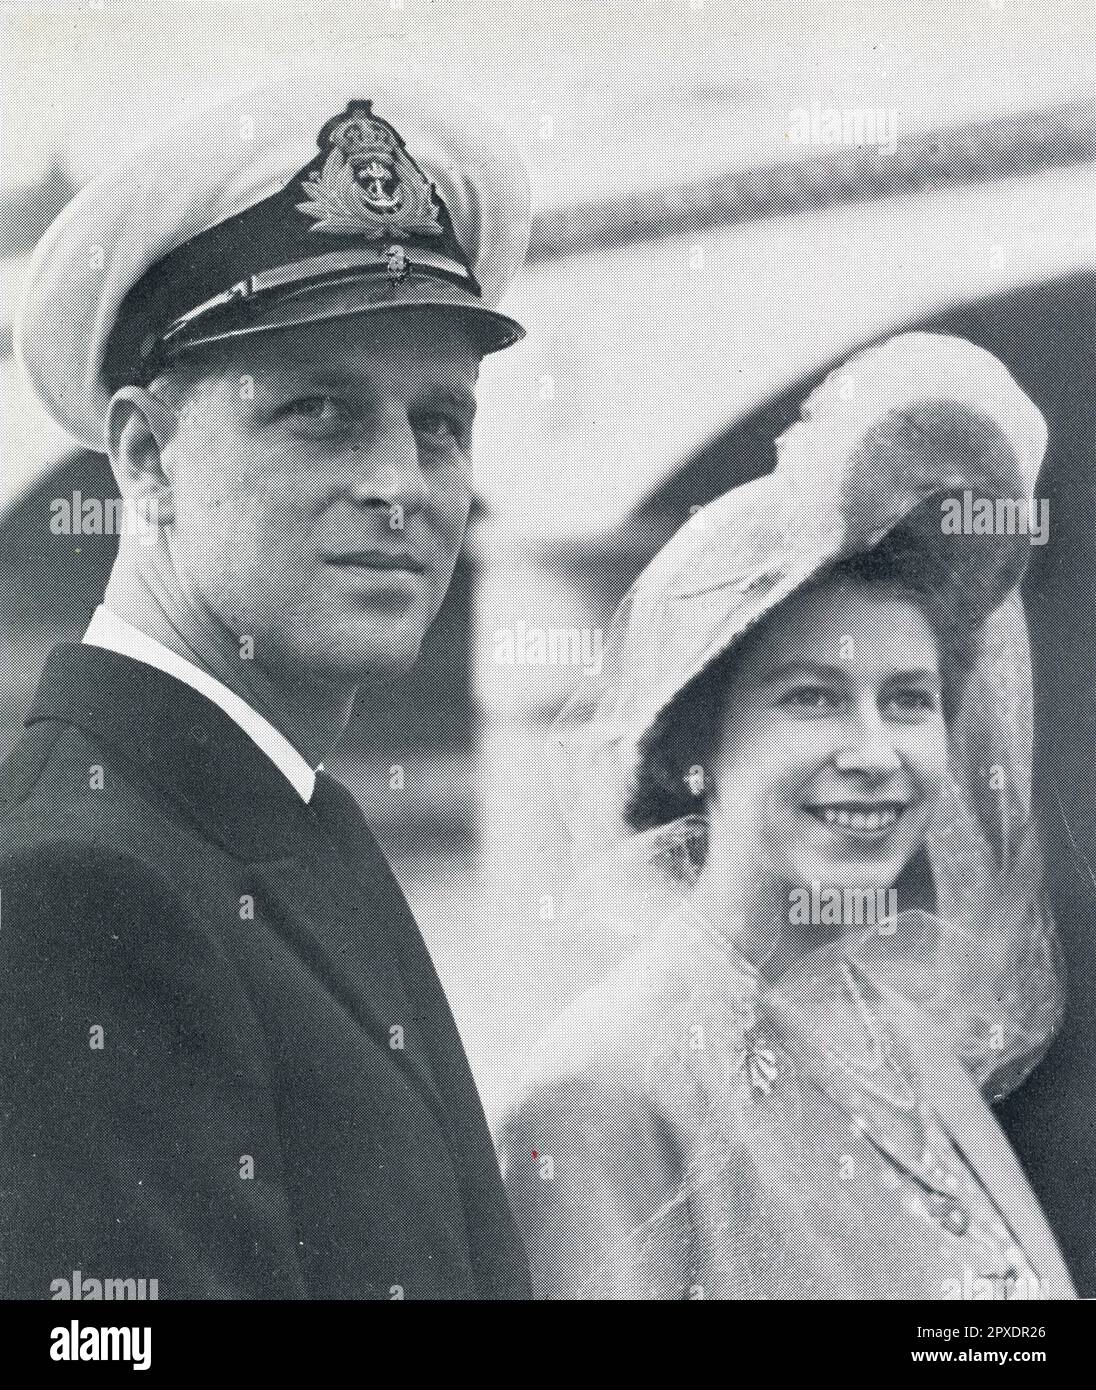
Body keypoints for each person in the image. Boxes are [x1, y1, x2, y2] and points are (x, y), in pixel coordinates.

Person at [1, 69, 533, 1299]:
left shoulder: (282, 821)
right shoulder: (74, 893)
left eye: (439, 424)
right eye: (320, 414)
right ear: (145, 457)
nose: (402, 481)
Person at [499, 333, 1075, 1300]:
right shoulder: (601, 1092)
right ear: (695, 752)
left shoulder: (901, 1039)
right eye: (812, 698)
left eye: (908, 699)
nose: (874, 752)